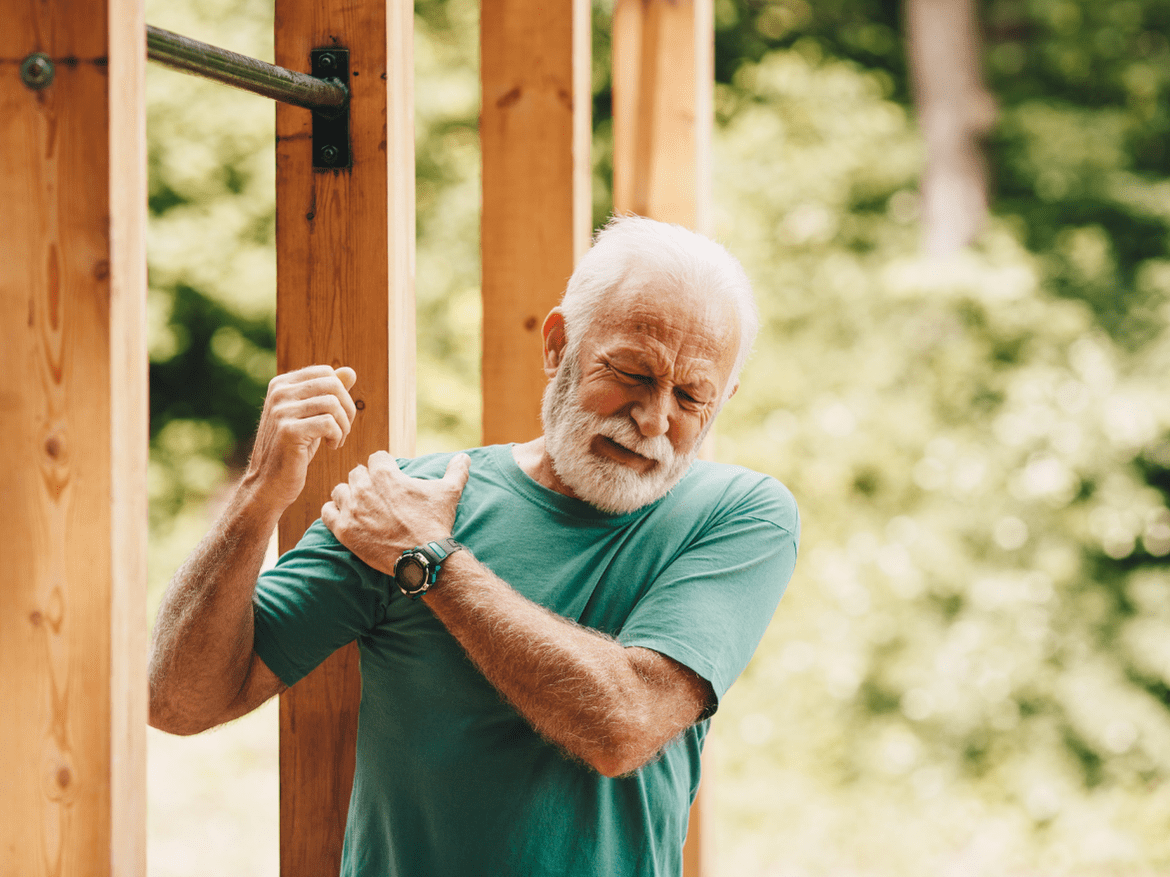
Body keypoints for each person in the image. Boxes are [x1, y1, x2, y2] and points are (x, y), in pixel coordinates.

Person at [148, 215, 799, 877]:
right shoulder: (403, 502)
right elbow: (177, 700)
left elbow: (623, 724)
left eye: (692, 395)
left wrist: (428, 562)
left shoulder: (738, 516)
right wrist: (259, 493)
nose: (655, 418)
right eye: (631, 372)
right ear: (558, 346)